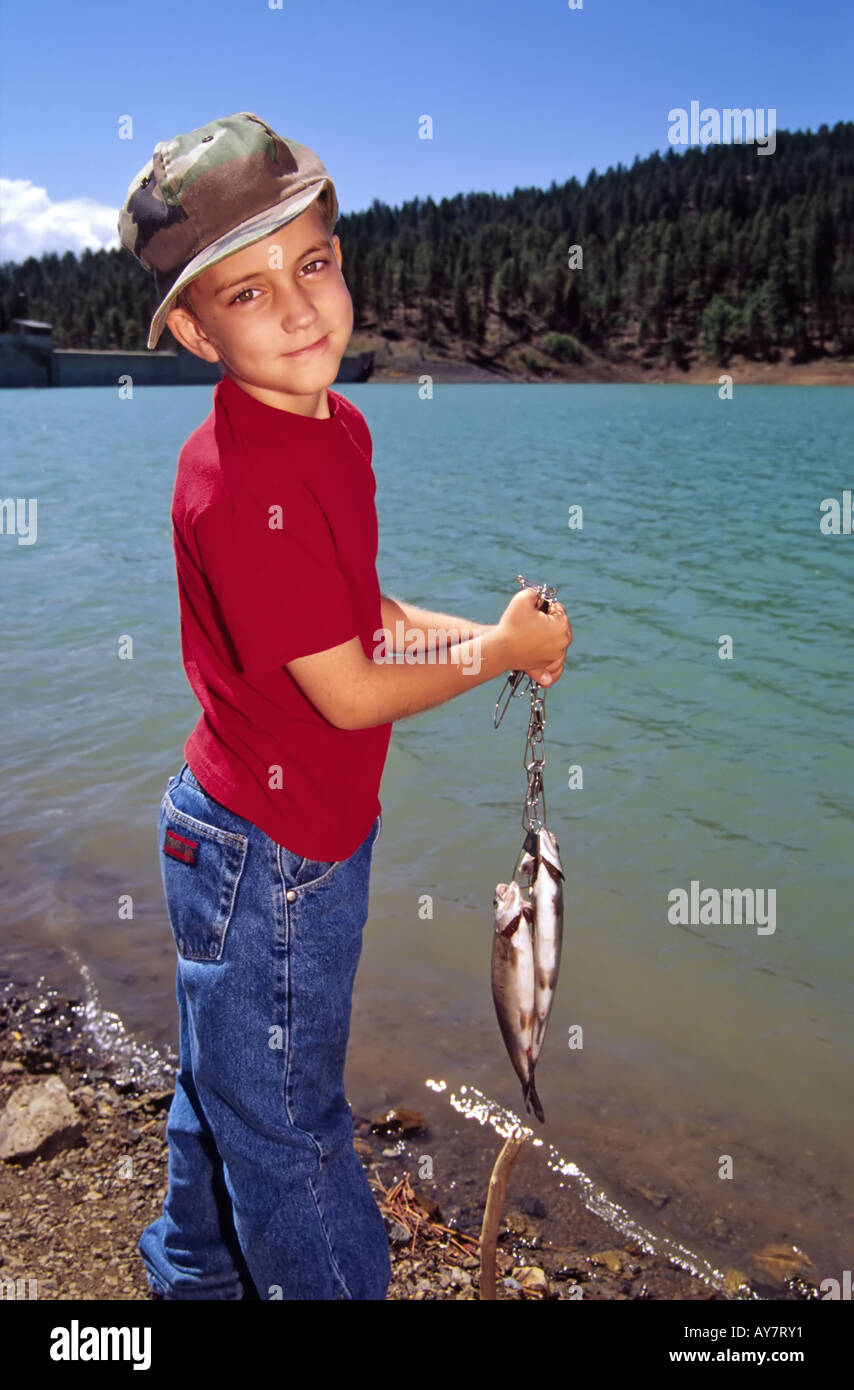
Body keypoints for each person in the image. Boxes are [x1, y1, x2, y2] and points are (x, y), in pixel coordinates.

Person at [117, 111, 571, 1301]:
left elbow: (358, 607)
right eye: (248, 291)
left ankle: (191, 1278)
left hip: (280, 836)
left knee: (230, 1086)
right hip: (265, 858)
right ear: (189, 329)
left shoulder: (330, 425)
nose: (301, 307)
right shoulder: (235, 480)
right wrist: (495, 654)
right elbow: (349, 686)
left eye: (311, 263)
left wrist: (485, 639)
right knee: (292, 1130)